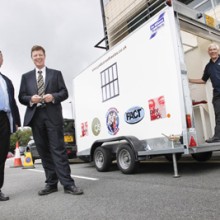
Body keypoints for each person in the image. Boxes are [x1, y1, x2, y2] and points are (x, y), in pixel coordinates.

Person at [18, 45, 83, 196]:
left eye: (40, 55)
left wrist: (53, 96)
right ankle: (51, 183)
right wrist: (31, 99)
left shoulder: (56, 74)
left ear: (44, 56)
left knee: (58, 150)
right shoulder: (25, 77)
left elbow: (65, 93)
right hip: (36, 117)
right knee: (43, 152)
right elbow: (21, 97)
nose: (38, 57)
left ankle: (68, 184)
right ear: (32, 58)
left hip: (52, 115)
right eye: (35, 55)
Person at [189, 43, 220, 143]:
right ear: (208, 52)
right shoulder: (208, 66)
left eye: (214, 49)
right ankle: (217, 137)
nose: (213, 51)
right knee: (218, 115)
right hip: (217, 94)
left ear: (218, 50)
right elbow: (203, 80)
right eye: (210, 50)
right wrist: (189, 80)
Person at [0, 50, 21, 201]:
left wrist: (17, 122)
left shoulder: (6, 80)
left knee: (1, 155)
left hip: (4, 120)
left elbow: (12, 102)